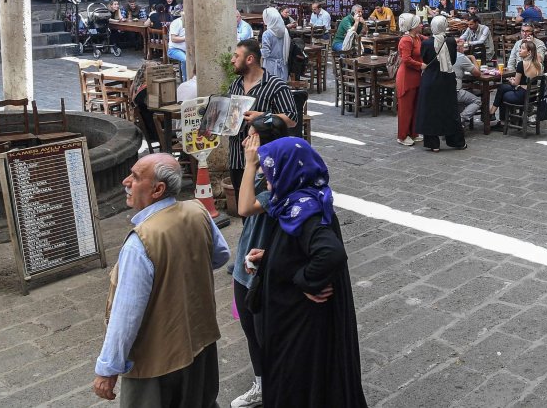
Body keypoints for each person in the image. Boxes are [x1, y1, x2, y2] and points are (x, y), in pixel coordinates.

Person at [92, 154, 229, 405]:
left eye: (134, 177)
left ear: (158, 189)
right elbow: (220, 256)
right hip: (200, 343)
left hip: (157, 363)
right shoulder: (197, 211)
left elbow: (127, 316)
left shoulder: (141, 241)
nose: (126, 182)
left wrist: (107, 369)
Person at [249, 138, 368, 407]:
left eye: (269, 175)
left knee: (300, 385)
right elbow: (299, 249)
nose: (267, 182)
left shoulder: (305, 210)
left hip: (301, 326)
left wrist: (304, 281)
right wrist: (270, 258)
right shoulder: (297, 202)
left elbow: (330, 253)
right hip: (298, 323)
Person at [228, 116, 286, 408]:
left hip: (262, 268)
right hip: (244, 265)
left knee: (266, 332)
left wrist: (250, 165)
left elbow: (244, 208)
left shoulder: (280, 180)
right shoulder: (262, 173)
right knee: (251, 331)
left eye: (250, 138)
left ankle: (276, 383)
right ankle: (262, 383)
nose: (245, 143)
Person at [227, 38, 298, 197]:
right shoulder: (235, 85)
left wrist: (263, 117)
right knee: (243, 209)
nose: (232, 60)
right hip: (237, 159)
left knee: (264, 210)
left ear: (250, 59)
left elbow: (292, 119)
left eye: (236, 56)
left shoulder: (276, 85)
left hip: (264, 161)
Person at [415, 16, 467, 152]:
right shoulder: (450, 41)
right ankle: (456, 141)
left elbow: (425, 59)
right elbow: (453, 60)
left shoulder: (426, 43)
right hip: (447, 79)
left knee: (430, 111)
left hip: (431, 79)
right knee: (450, 110)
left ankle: (433, 144)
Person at [489, 40, 542, 130]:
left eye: (522, 48)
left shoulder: (522, 64)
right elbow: (528, 80)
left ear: (529, 52)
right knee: (502, 88)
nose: (519, 50)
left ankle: (496, 117)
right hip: (532, 96)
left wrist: (511, 80)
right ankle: (495, 115)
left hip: (522, 96)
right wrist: (516, 81)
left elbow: (516, 84)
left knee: (503, 93)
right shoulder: (538, 64)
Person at [395, 13, 424, 146]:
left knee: (415, 106)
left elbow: (430, 39)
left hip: (416, 76)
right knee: (405, 108)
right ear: (413, 26)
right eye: (419, 23)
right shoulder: (406, 40)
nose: (421, 25)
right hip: (407, 77)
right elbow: (406, 59)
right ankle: (402, 135)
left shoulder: (417, 37)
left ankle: (413, 132)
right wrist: (421, 65)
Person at [452, 50, 483, 124]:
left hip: (439, 90)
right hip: (455, 91)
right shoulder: (460, 56)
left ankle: (458, 123)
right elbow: (477, 73)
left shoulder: (439, 54)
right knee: (477, 101)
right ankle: (459, 120)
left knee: (461, 101)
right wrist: (473, 58)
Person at [260, 7, 291, 80]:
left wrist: (258, 50)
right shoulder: (285, 31)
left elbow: (265, 53)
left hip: (270, 66)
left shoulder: (267, 34)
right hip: (283, 65)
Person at [167, 13, 187, 81]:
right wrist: (186, 38)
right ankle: (186, 80)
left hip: (188, 49)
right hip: (174, 49)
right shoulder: (176, 23)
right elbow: (173, 39)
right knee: (185, 60)